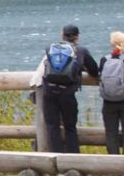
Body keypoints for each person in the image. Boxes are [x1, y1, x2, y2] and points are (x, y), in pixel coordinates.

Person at [40, 25, 100, 153]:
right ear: (77, 37)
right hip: (67, 92)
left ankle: (55, 157)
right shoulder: (81, 50)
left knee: (52, 126)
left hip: (49, 91)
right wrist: (82, 68)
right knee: (70, 127)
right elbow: (94, 70)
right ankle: (72, 159)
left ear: (62, 34)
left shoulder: (49, 48)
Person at [99, 31, 124, 155]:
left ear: (112, 43)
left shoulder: (104, 60)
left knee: (111, 134)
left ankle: (113, 166)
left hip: (108, 102)